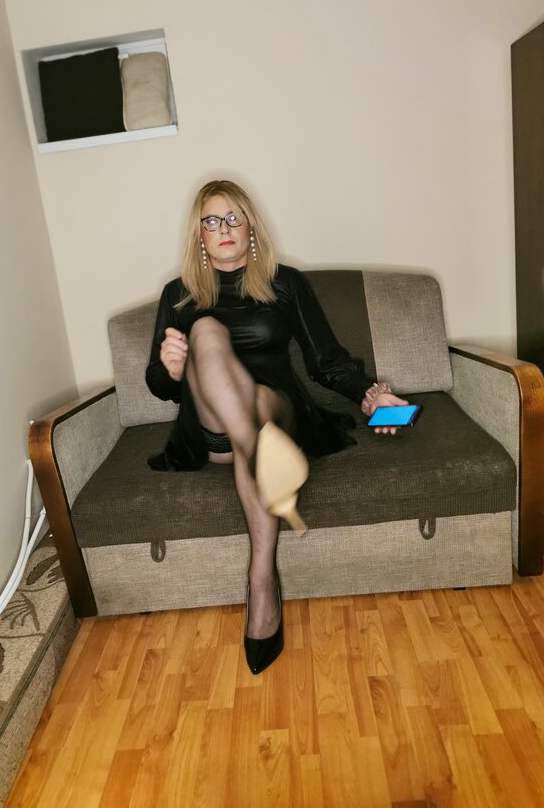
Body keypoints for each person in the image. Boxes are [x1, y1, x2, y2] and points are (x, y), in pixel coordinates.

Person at [145, 180, 407, 674]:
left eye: (233, 217)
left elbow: (325, 362)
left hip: (276, 407)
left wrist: (370, 396)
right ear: (199, 234)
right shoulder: (177, 295)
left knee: (256, 410)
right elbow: (159, 385)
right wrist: (172, 369)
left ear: (250, 227)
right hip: (212, 427)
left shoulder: (285, 283)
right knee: (205, 330)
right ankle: (263, 458)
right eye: (211, 220)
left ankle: (261, 579)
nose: (223, 228)